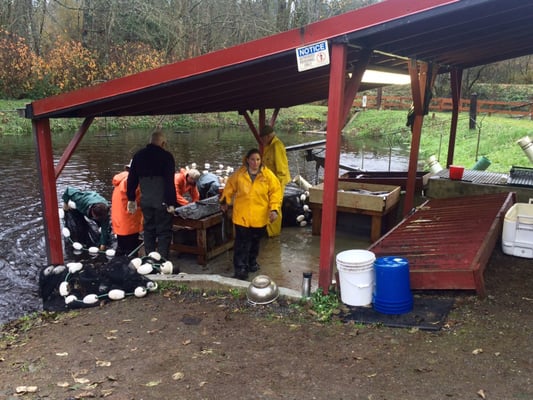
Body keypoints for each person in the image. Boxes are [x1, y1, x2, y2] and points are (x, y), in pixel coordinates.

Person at [220, 148, 282, 280]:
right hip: (242, 216)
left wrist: (274, 209)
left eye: (258, 159)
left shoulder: (268, 175)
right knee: (241, 243)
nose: (255, 162)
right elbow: (229, 187)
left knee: (255, 242)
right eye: (252, 159)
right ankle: (240, 268)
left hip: (259, 217)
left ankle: (252, 262)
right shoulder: (239, 174)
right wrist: (224, 201)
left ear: (261, 161)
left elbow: (276, 192)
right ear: (247, 160)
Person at [127, 130, 177, 259]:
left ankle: (149, 258)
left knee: (148, 229)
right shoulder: (167, 157)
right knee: (164, 231)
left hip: (146, 200)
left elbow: (131, 179)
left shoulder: (138, 156)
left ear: (150, 141)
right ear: (163, 143)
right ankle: (161, 260)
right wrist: (171, 202)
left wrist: (131, 198)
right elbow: (169, 182)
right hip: (162, 201)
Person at [260, 125, 291, 237]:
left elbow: (281, 170)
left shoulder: (277, 146)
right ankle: (268, 230)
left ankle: (273, 234)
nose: (262, 141)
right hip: (269, 183)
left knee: (275, 207)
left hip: (277, 183)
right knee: (268, 206)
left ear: (268, 136)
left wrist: (276, 186)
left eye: (263, 138)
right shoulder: (269, 146)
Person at [62, 187, 111, 251]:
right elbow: (69, 190)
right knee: (79, 225)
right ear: (93, 213)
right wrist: (65, 203)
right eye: (97, 218)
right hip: (83, 205)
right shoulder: (80, 200)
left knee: (106, 230)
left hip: (96, 205)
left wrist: (103, 244)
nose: (99, 219)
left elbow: (104, 229)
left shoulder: (105, 214)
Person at [111, 161, 143, 257]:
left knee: (121, 246)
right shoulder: (132, 181)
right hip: (129, 221)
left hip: (119, 219)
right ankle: (129, 267)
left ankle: (116, 265)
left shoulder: (120, 179)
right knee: (131, 249)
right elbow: (139, 200)